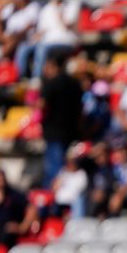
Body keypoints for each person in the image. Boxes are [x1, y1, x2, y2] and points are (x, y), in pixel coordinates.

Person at [40, 53, 83, 188]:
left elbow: (42, 105)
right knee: (69, 168)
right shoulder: (75, 83)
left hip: (54, 134)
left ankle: (54, 202)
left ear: (53, 66)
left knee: (55, 173)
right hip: (73, 133)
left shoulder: (51, 84)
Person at [0, 168, 40, 248]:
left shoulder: (13, 195)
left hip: (8, 233)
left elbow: (32, 209)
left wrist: (22, 227)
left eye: (1, 178)